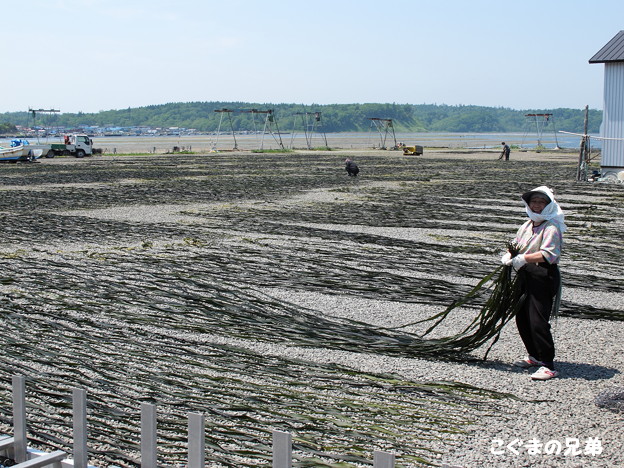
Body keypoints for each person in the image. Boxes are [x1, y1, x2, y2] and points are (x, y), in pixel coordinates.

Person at [501, 186, 566, 381]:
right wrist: (509, 255)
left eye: (541, 202)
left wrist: (524, 258)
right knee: (522, 317)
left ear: (549, 205)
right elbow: (516, 243)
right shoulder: (527, 224)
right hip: (525, 275)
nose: (536, 205)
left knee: (538, 320)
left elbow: (549, 255)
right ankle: (534, 356)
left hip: (543, 275)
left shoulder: (551, 226)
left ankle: (548, 365)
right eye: (533, 202)